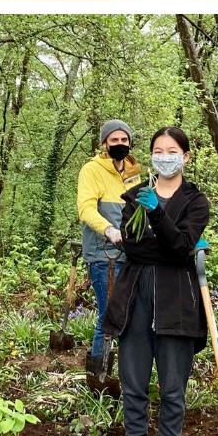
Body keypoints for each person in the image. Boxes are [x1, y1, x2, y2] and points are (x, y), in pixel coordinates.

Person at [99, 126, 211, 436]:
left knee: (173, 383)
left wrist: (159, 219)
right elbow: (134, 246)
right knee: (133, 379)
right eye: (158, 151)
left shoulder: (196, 201)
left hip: (177, 299)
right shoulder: (135, 196)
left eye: (172, 151)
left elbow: (180, 248)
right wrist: (168, 238)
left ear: (186, 157)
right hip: (135, 295)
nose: (165, 157)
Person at [78, 118, 138, 389]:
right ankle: (97, 377)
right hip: (104, 255)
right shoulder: (92, 170)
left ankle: (122, 372)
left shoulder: (135, 171)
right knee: (108, 314)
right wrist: (109, 230)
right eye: (114, 140)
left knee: (128, 314)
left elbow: (140, 209)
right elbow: (86, 209)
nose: (120, 144)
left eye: (124, 140)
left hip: (131, 254)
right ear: (104, 143)